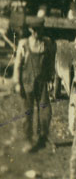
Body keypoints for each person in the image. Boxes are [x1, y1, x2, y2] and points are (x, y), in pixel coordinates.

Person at [12, 17, 56, 153]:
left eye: (40, 30)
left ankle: (43, 138)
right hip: (27, 82)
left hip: (42, 82)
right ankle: (28, 139)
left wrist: (51, 80)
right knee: (28, 112)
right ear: (31, 30)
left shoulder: (47, 43)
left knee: (45, 112)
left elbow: (50, 64)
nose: (37, 33)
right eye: (35, 30)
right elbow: (18, 65)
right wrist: (17, 83)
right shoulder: (24, 44)